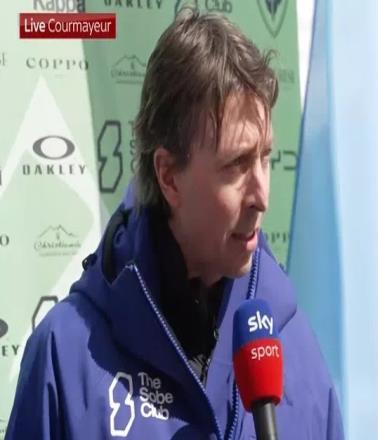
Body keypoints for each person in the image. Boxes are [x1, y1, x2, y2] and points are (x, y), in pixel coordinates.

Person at [6, 9, 343, 439]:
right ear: (168, 176)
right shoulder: (65, 357)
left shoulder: (298, 351)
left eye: (265, 158)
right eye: (237, 164)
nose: (262, 196)